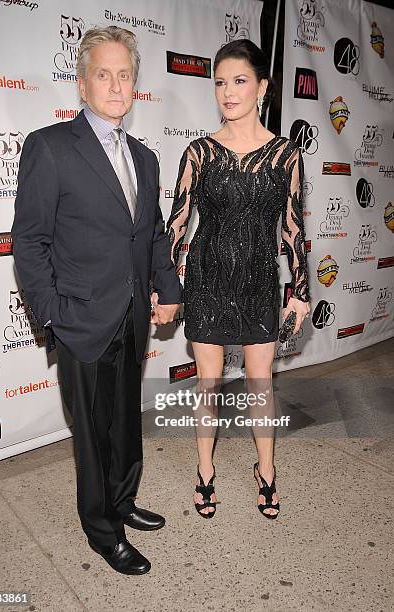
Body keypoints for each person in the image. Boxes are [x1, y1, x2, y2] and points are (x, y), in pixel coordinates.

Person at [11, 26, 181, 575]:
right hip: (80, 319)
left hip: (132, 316)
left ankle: (124, 500)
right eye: (103, 75)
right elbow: (30, 241)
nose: (115, 84)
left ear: (135, 86)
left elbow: (151, 232)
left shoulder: (145, 157)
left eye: (124, 75)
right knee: (90, 429)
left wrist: (169, 289)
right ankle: (102, 530)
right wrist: (52, 314)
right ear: (83, 86)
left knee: (125, 420)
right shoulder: (50, 147)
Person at [166, 39, 311, 520]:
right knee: (207, 383)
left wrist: (302, 292)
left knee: (259, 385)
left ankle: (266, 471)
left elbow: (293, 228)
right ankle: (205, 471)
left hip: (258, 283)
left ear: (263, 87)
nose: (228, 92)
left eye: (240, 81)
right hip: (207, 282)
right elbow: (177, 223)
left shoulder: (286, 155)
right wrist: (168, 286)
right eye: (221, 83)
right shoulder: (199, 153)